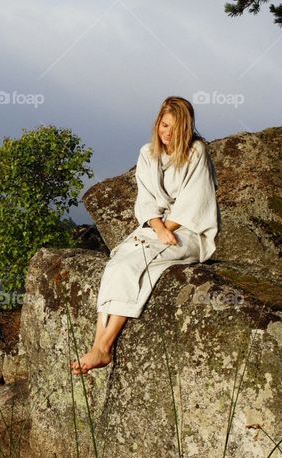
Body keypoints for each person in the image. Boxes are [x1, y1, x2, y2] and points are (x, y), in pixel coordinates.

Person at [70, 96, 220, 376]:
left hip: (189, 230)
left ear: (186, 129)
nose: (167, 132)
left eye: (175, 128)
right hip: (156, 227)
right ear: (157, 123)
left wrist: (165, 229)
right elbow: (146, 200)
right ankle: (97, 345)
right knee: (117, 262)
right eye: (164, 125)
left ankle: (104, 347)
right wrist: (158, 228)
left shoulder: (197, 151)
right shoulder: (147, 153)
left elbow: (194, 201)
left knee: (137, 263)